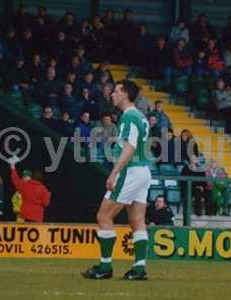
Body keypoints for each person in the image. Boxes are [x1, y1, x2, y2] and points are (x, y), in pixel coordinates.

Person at [82, 80, 151, 280]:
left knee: (103, 215)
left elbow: (129, 147)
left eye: (116, 91)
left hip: (130, 171)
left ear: (125, 94)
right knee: (137, 220)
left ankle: (105, 267)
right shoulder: (141, 117)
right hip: (143, 170)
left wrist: (114, 172)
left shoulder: (128, 117)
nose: (112, 94)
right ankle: (139, 268)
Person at [8, 157, 51, 223]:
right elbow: (46, 203)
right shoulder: (44, 189)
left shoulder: (25, 185)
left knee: (23, 232)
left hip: (25, 214)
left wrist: (12, 167)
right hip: (37, 216)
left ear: (32, 177)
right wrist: (48, 196)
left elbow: (15, 180)